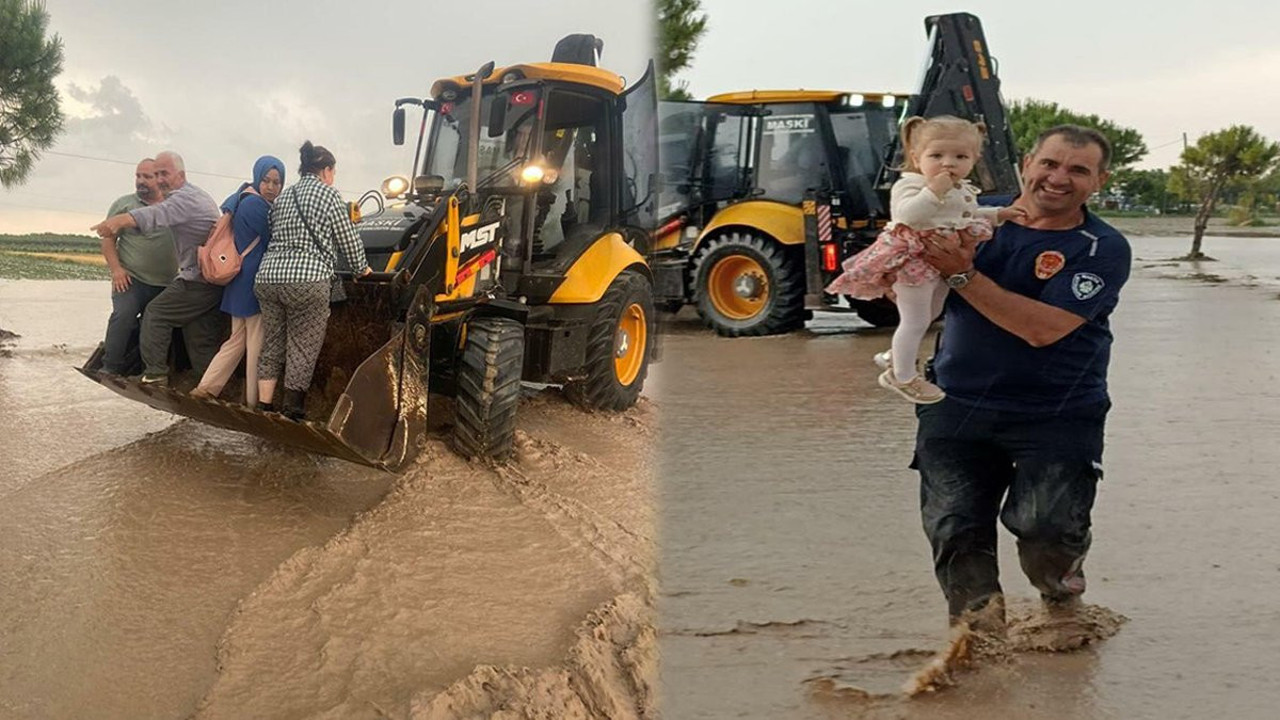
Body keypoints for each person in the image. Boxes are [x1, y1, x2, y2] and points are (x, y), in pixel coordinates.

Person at [912, 124, 1131, 631]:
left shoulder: (1102, 248)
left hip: (1057, 410)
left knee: (1045, 527)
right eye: (1049, 164)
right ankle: (977, 639)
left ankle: (1060, 599)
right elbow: (911, 286)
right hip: (954, 400)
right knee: (954, 527)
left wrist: (962, 275)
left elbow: (1043, 329)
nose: (1058, 178)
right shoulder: (967, 215)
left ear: (1099, 181)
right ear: (1027, 164)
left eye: (1078, 170)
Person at [825, 115, 1025, 404]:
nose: (948, 163)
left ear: (974, 159)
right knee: (915, 320)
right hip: (913, 260)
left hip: (939, 260)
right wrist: (934, 190)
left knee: (932, 313)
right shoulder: (910, 186)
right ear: (917, 158)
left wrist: (997, 215)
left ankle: (893, 357)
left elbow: (961, 215)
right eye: (937, 155)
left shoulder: (959, 188)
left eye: (960, 156)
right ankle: (902, 376)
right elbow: (908, 215)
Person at [254, 141, 371, 420]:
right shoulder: (329, 196)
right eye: (333, 172)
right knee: (302, 347)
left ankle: (263, 407)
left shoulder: (284, 196)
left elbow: (274, 231)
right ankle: (292, 410)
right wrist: (361, 269)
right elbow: (348, 239)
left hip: (268, 279)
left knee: (272, 343)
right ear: (326, 171)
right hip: (307, 282)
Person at [91, 150, 222, 385]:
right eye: (155, 174)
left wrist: (119, 220)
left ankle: (155, 374)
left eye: (163, 174)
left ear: (180, 175)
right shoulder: (129, 202)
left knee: (156, 315)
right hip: (198, 278)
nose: (159, 179)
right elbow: (114, 238)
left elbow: (157, 214)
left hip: (195, 279)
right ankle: (210, 385)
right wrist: (117, 269)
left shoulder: (183, 199)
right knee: (197, 334)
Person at [191, 156, 286, 405]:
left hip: (239, 278)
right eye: (266, 180)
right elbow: (273, 240)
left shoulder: (241, 197)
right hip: (253, 281)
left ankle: (206, 387)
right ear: (258, 178)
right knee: (257, 345)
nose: (271, 187)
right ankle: (253, 402)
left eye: (277, 182)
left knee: (237, 340)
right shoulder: (258, 206)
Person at [97, 158, 178, 375]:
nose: (140, 181)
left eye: (147, 177)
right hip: (131, 278)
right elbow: (107, 240)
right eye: (138, 176)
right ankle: (110, 367)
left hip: (166, 282)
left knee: (156, 325)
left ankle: (150, 372)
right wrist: (117, 270)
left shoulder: (173, 206)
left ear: (160, 179)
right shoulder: (124, 205)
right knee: (124, 315)